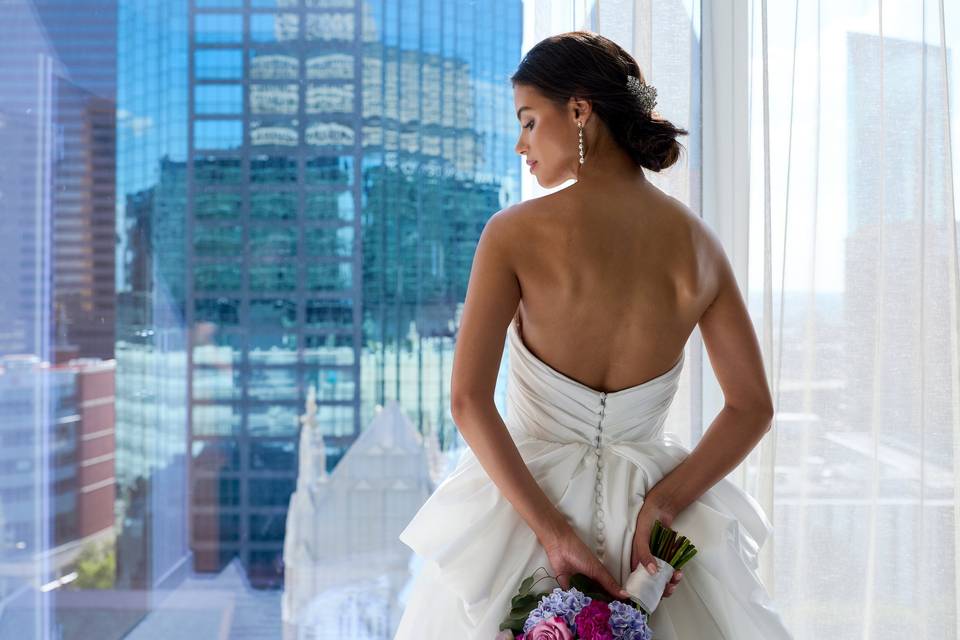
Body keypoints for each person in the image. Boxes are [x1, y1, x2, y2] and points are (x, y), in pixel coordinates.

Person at [394, 31, 793, 639]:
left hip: (524, 518)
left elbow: (467, 401)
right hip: (649, 543)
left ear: (579, 110)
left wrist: (553, 533)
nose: (521, 145)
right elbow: (752, 407)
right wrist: (661, 504)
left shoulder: (512, 235)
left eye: (529, 121)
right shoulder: (699, 246)